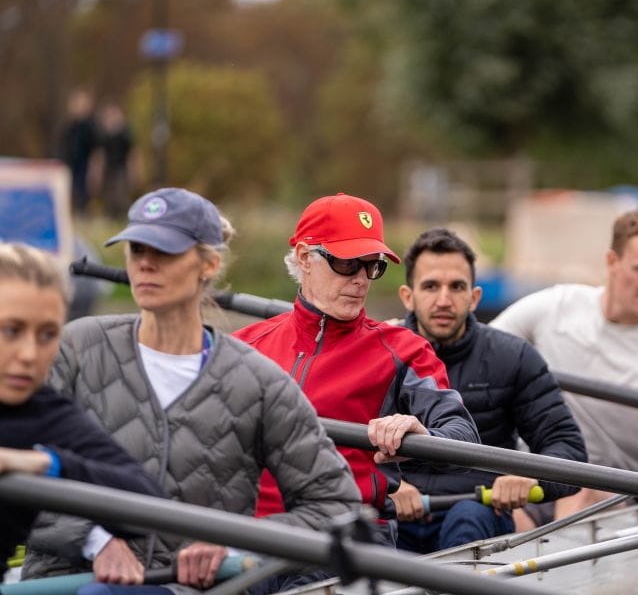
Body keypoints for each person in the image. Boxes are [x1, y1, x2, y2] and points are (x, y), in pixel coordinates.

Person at [23, 188, 361, 594]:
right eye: (136, 249)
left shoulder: (259, 382)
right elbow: (14, 458)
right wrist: (97, 541)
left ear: (209, 265)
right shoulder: (73, 349)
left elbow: (336, 506)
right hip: (62, 582)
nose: (145, 264)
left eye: (164, 252)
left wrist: (234, 540)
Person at [233, 193, 479, 531]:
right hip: (247, 534)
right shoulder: (241, 347)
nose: (361, 279)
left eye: (372, 265)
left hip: (347, 537)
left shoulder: (405, 351)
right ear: (305, 257)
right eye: (347, 263)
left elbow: (463, 437)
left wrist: (419, 435)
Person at [491, 208, 638, 518]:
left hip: (610, 495)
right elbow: (478, 347)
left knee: (581, 496)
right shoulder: (556, 305)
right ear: (612, 262)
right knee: (489, 513)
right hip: (530, 476)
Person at [391, 228, 586, 551]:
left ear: (475, 297)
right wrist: (385, 485)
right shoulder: (378, 354)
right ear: (407, 296)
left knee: (467, 518)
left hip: (477, 509)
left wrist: (531, 479)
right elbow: (338, 451)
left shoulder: (514, 357)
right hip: (396, 508)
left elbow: (567, 449)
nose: (443, 300)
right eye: (430, 286)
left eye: (456, 287)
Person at [0, 242, 165, 562]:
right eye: (10, 330)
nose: (30, 354)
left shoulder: (43, 416)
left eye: (47, 335)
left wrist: (44, 463)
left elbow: (148, 505)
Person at [59, 89, 98, 214]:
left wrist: (95, 166)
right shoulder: (69, 125)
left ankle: (84, 212)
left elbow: (96, 148)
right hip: (70, 163)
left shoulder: (91, 126)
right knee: (70, 189)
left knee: (83, 191)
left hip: (85, 163)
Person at [95, 104, 134, 219]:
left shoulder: (125, 133)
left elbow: (132, 152)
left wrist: (133, 169)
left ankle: (122, 215)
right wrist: (97, 169)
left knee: (120, 193)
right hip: (109, 167)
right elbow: (100, 153)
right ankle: (110, 215)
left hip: (121, 167)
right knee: (109, 194)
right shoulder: (104, 135)